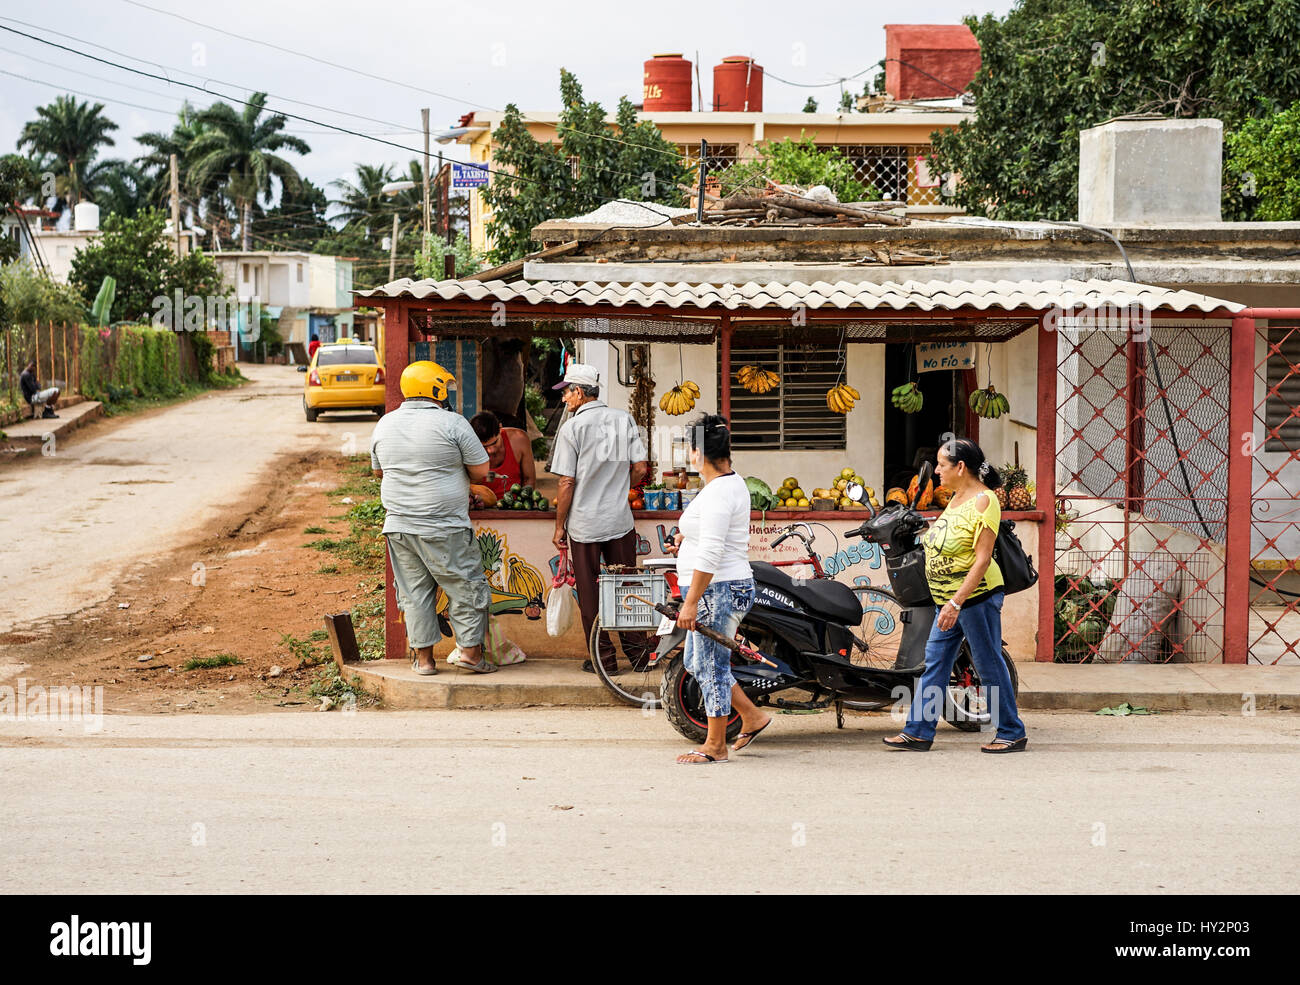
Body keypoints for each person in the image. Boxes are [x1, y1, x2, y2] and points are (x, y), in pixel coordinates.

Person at [884, 437, 1028, 753]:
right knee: (935, 662)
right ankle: (919, 732)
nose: (937, 471)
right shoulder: (957, 497)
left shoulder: (985, 501)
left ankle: (1011, 732)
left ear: (961, 467)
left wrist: (955, 602)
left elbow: (982, 558)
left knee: (988, 663)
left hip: (974, 599)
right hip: (946, 599)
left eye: (942, 465)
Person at [370, 360, 495, 676]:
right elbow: (482, 471)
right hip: (444, 526)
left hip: (399, 525)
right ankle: (470, 653)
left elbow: (378, 471)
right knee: (465, 586)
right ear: (435, 388)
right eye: (444, 388)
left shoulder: (384, 424)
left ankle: (424, 661)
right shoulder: (453, 423)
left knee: (414, 593)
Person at [669, 415, 769, 765]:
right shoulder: (727, 485)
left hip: (718, 590)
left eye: (689, 449)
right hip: (720, 587)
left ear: (698, 453)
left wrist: (691, 602)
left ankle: (715, 745)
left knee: (711, 666)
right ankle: (753, 716)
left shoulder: (719, 492)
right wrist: (685, 538)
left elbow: (712, 552)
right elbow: (712, 536)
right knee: (696, 661)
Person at [549, 363, 651, 674]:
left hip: (585, 525)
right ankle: (640, 657)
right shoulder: (624, 419)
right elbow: (640, 468)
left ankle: (604, 662)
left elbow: (566, 482)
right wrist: (620, 488)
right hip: (619, 521)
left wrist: (558, 526)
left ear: (579, 393)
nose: (565, 398)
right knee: (627, 586)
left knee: (590, 593)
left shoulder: (572, 428)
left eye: (567, 392)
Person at [470, 410, 537, 498]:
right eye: (483, 447)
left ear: (500, 428)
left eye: (494, 443)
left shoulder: (519, 439)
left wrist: (523, 503)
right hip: (481, 505)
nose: (490, 450)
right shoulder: (468, 447)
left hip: (513, 505)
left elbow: (529, 479)